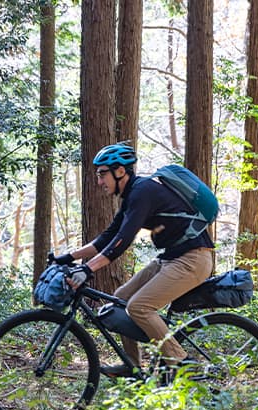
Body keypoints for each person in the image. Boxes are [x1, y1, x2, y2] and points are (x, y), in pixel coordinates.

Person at [53, 143, 214, 379]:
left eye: (102, 174)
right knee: (120, 300)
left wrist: (88, 268)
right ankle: (132, 366)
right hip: (173, 258)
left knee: (138, 307)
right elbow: (108, 236)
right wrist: (68, 257)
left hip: (193, 259)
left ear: (120, 171)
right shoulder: (133, 195)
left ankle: (182, 363)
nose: (99, 182)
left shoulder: (142, 192)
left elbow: (122, 240)